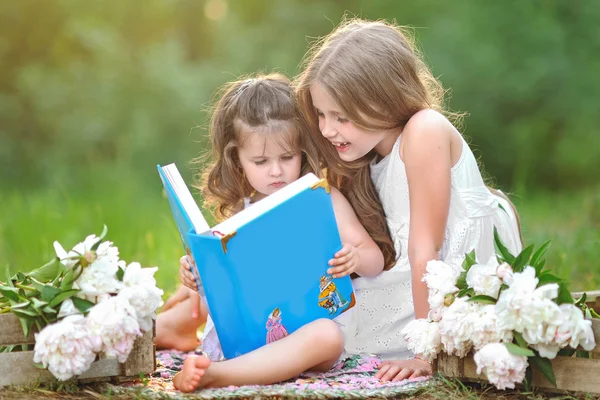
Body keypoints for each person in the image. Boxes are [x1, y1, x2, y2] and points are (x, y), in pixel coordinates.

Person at [295, 18, 523, 382]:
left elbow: (425, 249)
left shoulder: (424, 130)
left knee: (327, 329)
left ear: (384, 100)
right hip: (415, 278)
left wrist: (423, 350)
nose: (326, 129)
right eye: (321, 114)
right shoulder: (368, 157)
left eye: (341, 116)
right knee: (311, 309)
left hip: (447, 282)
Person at [173, 73, 385, 392]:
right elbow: (226, 286)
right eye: (260, 161)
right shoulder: (239, 212)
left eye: (287, 157)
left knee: (327, 337)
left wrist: (354, 258)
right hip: (250, 334)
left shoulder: (323, 198)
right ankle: (227, 363)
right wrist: (197, 276)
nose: (276, 170)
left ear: (303, 149)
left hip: (309, 330)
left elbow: (375, 260)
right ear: (237, 160)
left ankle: (219, 375)